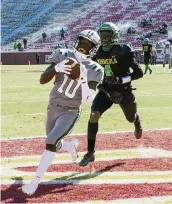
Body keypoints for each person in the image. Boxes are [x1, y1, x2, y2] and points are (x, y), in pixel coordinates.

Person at [22, 29, 104, 195]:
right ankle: (70, 146)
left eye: (87, 44)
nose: (82, 46)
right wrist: (57, 68)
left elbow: (88, 101)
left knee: (51, 141)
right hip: (52, 106)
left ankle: (34, 183)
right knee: (54, 143)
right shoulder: (62, 54)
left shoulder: (96, 69)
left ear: (94, 49)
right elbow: (42, 80)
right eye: (81, 41)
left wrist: (82, 80)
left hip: (70, 111)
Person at [79, 22, 143, 168]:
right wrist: (104, 89)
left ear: (115, 35)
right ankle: (90, 152)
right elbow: (94, 76)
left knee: (130, 117)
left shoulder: (124, 50)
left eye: (108, 34)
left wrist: (120, 80)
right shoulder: (95, 53)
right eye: (102, 34)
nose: (105, 37)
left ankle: (136, 120)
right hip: (106, 91)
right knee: (94, 114)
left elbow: (139, 73)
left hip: (124, 91)